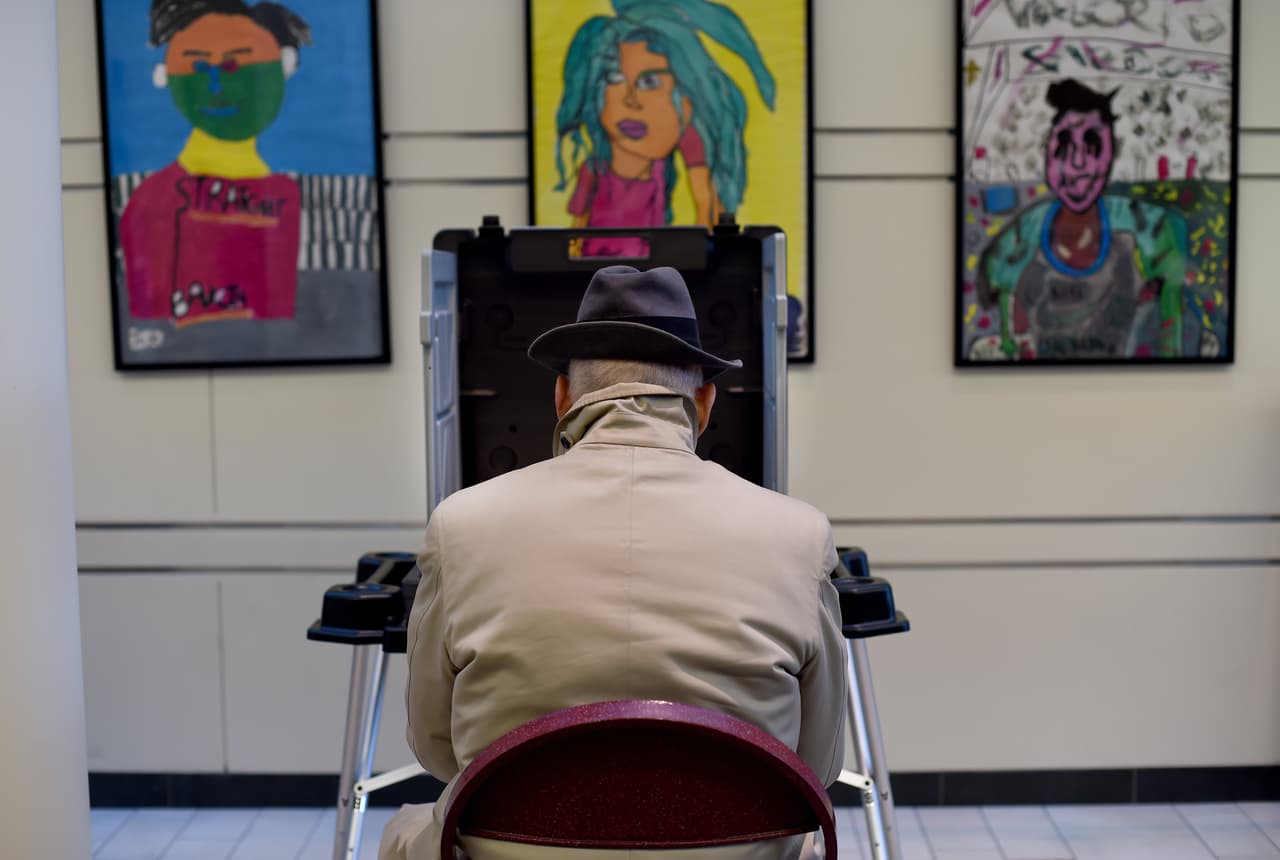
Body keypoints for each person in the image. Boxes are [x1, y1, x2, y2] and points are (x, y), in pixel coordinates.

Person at [380, 265, 848, 860]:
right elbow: (817, 764)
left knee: (404, 831)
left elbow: (435, 747)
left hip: (510, 851)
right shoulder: (800, 535)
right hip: (734, 854)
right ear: (704, 403)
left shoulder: (460, 525)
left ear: (561, 398)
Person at [119, 0, 311, 325]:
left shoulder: (284, 195)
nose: (216, 86)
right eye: (198, 67)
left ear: (282, 69)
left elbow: (282, 326)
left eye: (236, 66)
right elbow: (152, 328)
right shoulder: (154, 202)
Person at [975, 78, 1191, 360]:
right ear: (1046, 152)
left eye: (1092, 146)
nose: (1077, 164)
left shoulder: (1146, 228)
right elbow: (1005, 333)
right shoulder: (1020, 238)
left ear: (1113, 150)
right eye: (1064, 146)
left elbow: (1171, 332)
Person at [555, 0, 775, 257]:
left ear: (686, 98)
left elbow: (707, 208)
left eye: (650, 81)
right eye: (614, 78)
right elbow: (575, 236)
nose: (631, 99)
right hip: (596, 278)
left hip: (650, 279)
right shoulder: (593, 169)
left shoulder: (681, 138)